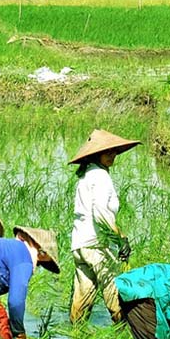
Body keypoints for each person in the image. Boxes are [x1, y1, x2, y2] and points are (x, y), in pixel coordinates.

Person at [68, 129, 140, 324]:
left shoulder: (87, 175)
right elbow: (101, 213)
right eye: (107, 151)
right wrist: (121, 239)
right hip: (96, 245)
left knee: (82, 296)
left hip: (80, 245)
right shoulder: (100, 177)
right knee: (114, 291)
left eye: (114, 151)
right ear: (96, 153)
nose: (112, 155)